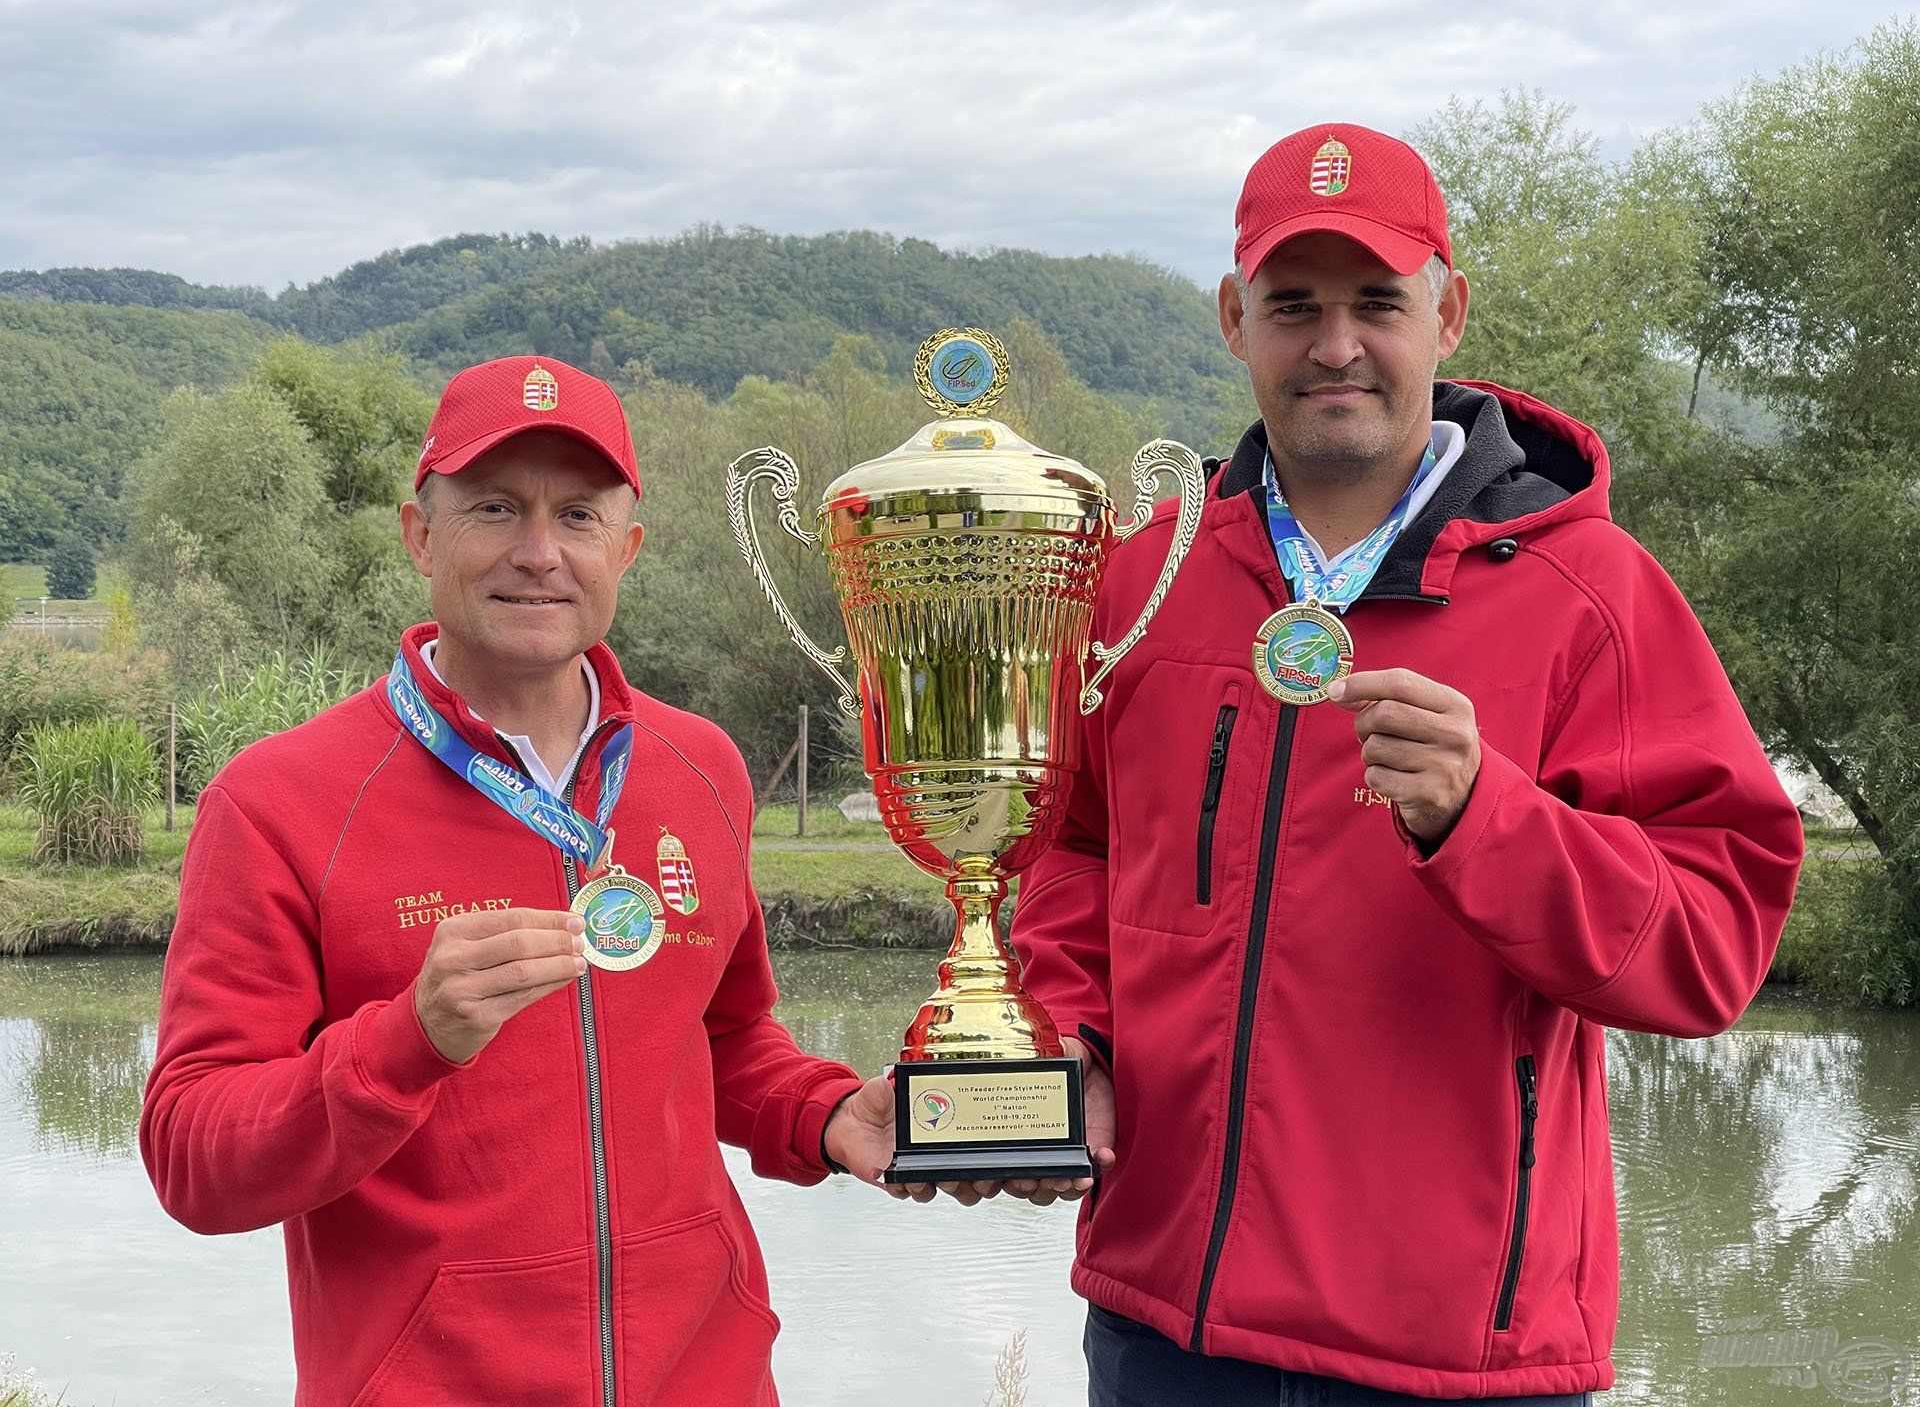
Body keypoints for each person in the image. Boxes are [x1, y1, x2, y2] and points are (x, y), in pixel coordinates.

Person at [1004, 124, 1804, 1403]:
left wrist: (1488, 820)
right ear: (1232, 317)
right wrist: (1074, 1040)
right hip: (1164, 1326)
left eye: (1378, 301)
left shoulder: (1591, 594)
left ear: (1448, 311)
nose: (1336, 346)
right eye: (1294, 305)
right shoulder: (1139, 578)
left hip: (1458, 1356)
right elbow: (1065, 850)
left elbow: (1712, 945)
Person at [139, 355, 910, 1406]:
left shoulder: (701, 770)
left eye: (578, 516)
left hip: (709, 1380)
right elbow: (194, 1156)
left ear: (627, 548)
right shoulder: (279, 801)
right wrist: (404, 1043)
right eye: (495, 508)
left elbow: (724, 1043)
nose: (539, 553)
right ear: (422, 534)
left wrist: (825, 1114)